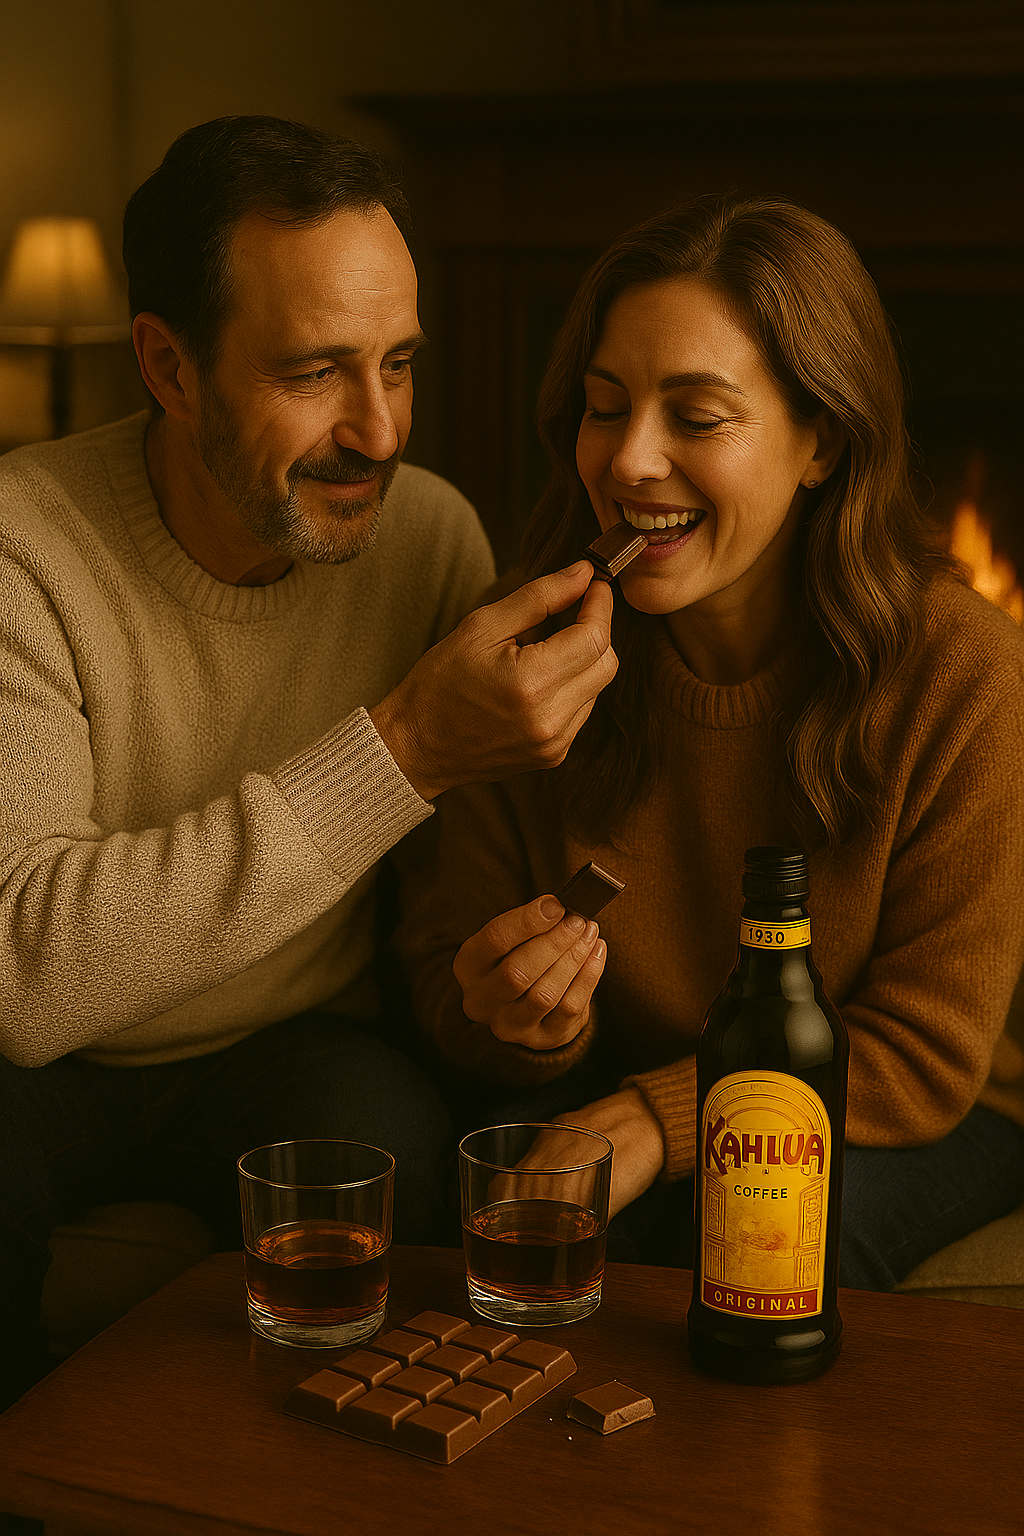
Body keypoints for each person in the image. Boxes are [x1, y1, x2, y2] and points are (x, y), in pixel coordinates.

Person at [0, 116, 616, 1407]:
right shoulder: (24, 551)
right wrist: (402, 750)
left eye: (401, 363)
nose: (382, 430)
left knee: (398, 1146)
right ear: (168, 367)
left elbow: (445, 929)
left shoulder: (431, 538)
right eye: (314, 374)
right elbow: (27, 974)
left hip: (295, 1041)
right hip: (40, 1066)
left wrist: (522, 993)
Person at [397, 192, 1024, 1284]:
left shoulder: (961, 671)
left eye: (696, 416)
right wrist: (516, 1020)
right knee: (487, 1225)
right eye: (605, 407)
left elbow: (922, 1054)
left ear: (820, 439)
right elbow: (453, 992)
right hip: (624, 1074)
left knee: (733, 1240)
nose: (631, 460)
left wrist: (655, 1119)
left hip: (901, 1103)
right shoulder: (524, 651)